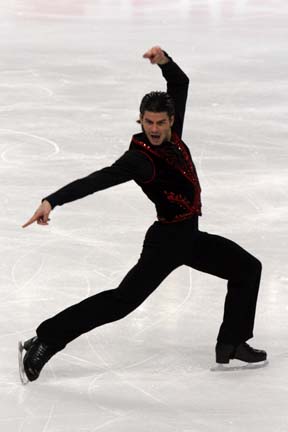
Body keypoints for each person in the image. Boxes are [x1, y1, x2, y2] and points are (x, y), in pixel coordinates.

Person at [21, 46, 267, 382]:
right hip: (166, 243)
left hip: (190, 237)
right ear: (141, 120)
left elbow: (180, 84)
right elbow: (98, 180)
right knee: (121, 303)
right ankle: (46, 339)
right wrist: (53, 200)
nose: (153, 128)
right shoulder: (140, 158)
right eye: (147, 121)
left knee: (247, 269)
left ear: (171, 120)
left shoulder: (173, 136)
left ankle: (232, 342)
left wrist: (164, 61)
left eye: (159, 122)